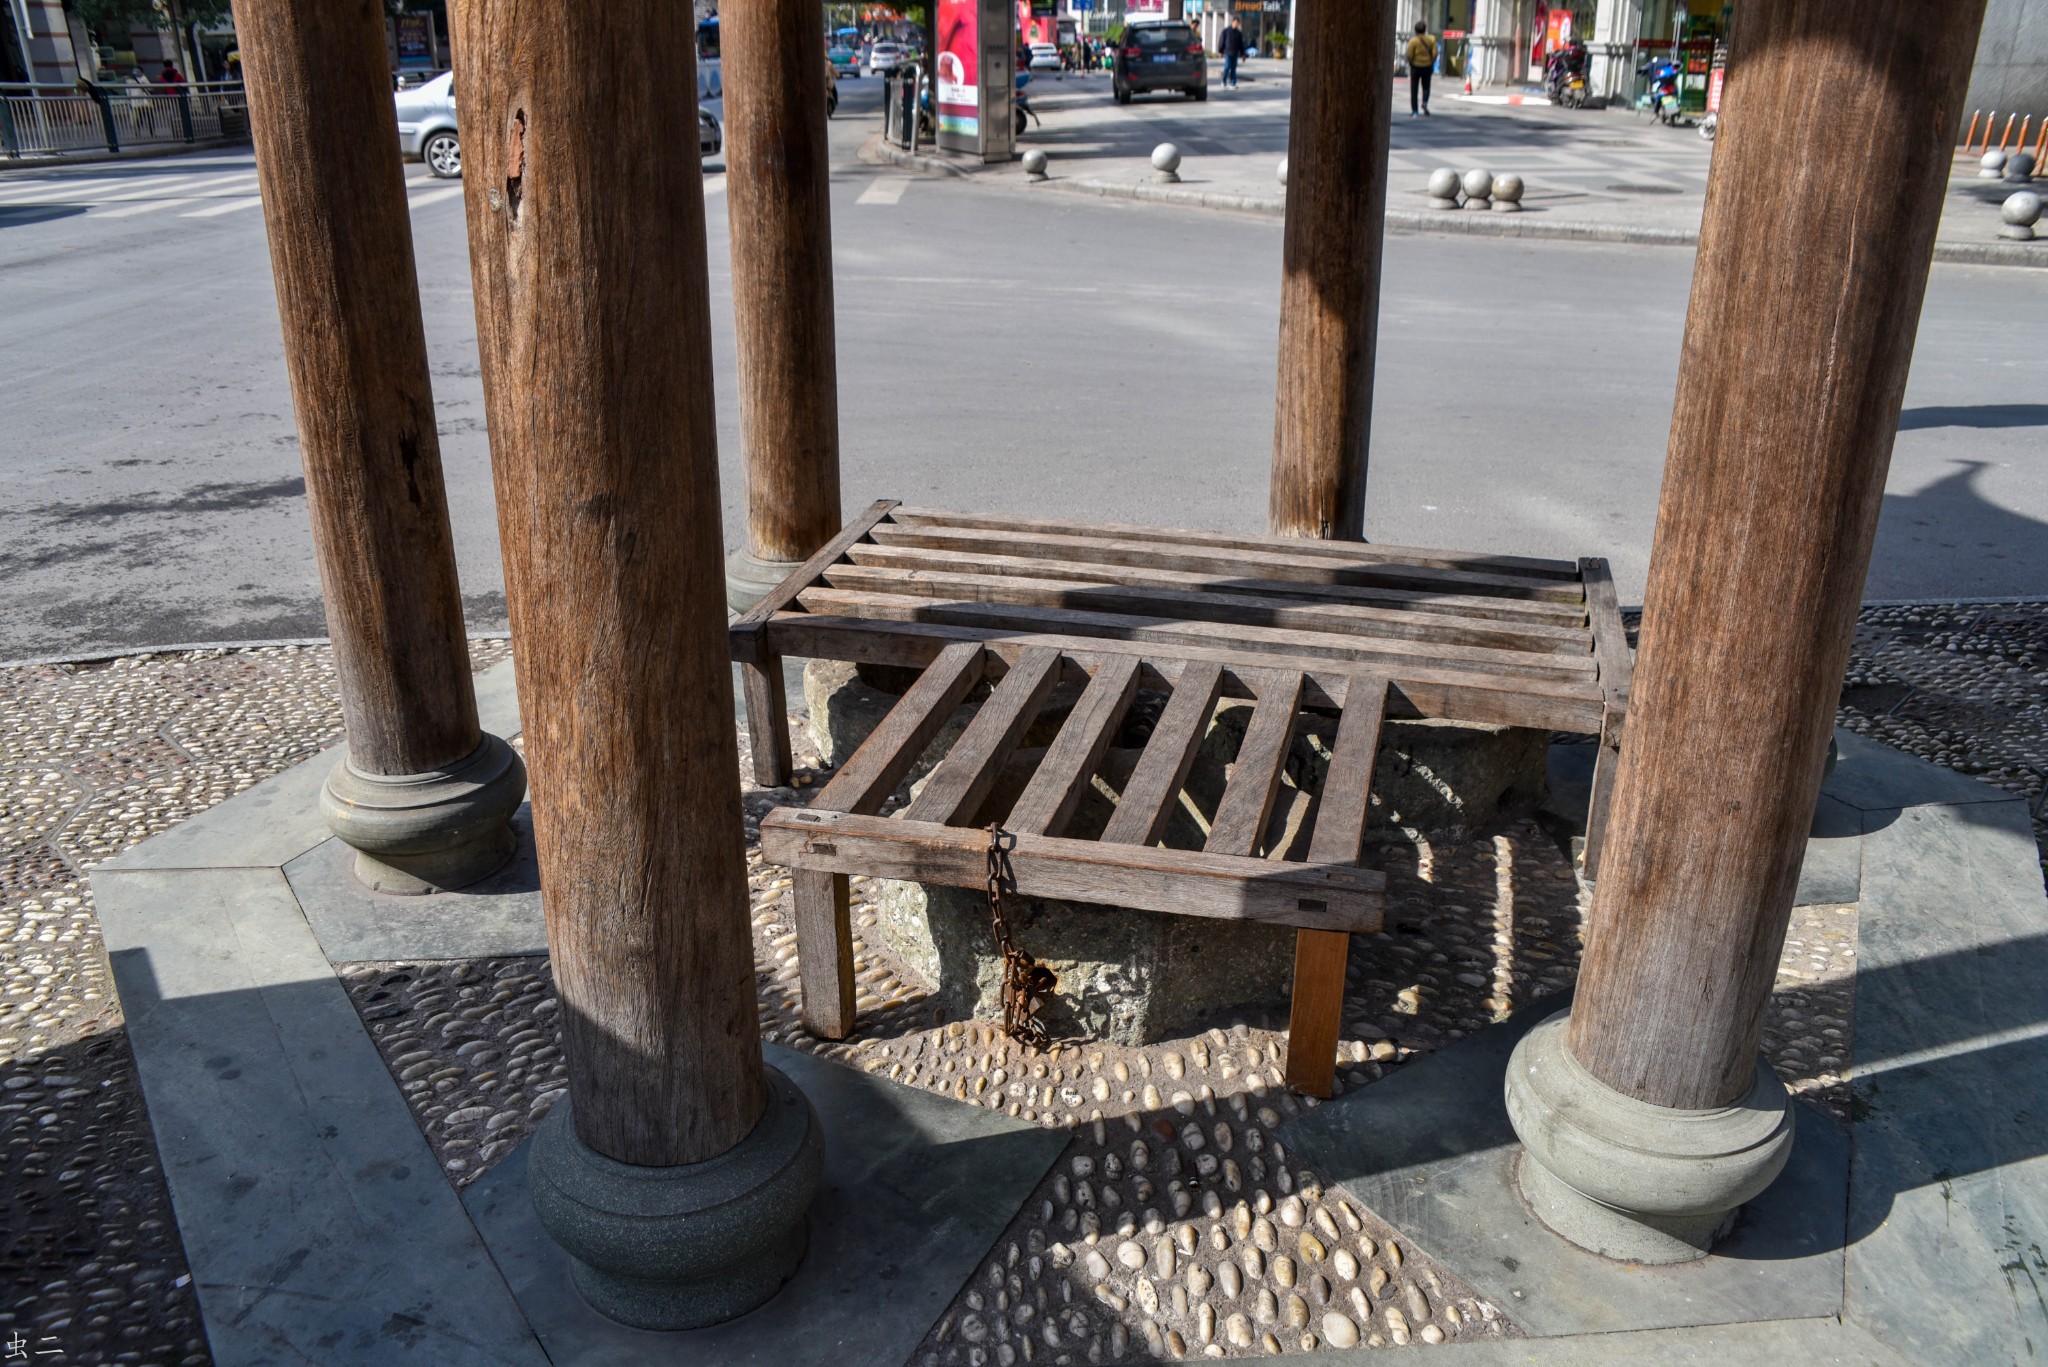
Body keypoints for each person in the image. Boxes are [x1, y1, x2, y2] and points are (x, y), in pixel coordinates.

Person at [1404, 21, 1436, 117]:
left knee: (1414, 89)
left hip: (1415, 66)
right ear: (1425, 29)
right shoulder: (1431, 40)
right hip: (1427, 66)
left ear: (1415, 30)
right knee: (1426, 87)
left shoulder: (1413, 41)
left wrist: (1411, 62)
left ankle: (1415, 111)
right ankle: (1425, 102)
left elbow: (1409, 54)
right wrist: (1431, 62)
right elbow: (1435, 53)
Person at [1218, 16, 1247, 90]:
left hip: (1235, 52)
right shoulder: (1226, 31)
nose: (1236, 24)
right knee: (1227, 67)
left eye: (1238, 23)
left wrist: (1243, 54)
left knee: (1233, 68)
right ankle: (1224, 81)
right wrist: (1220, 51)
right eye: (1235, 23)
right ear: (1232, 22)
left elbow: (1241, 44)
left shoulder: (1238, 33)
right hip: (1227, 52)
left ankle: (1232, 83)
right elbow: (1222, 41)